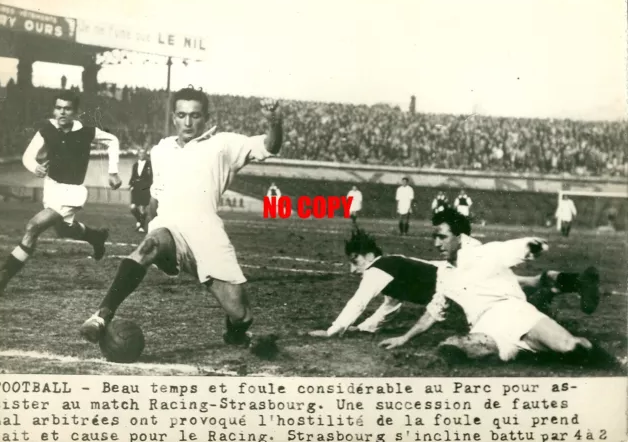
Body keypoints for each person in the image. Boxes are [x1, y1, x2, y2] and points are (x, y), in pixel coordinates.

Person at [80, 87, 283, 353]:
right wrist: (151, 223)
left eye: (195, 116)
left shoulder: (224, 144)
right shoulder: (161, 150)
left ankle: (235, 334)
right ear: (174, 117)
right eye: (181, 115)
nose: (188, 122)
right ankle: (100, 316)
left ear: (206, 117)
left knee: (240, 313)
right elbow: (157, 195)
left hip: (206, 234)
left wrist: (274, 121)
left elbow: (270, 146)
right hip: (170, 230)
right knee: (148, 246)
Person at [377, 208, 610, 368]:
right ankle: (535, 349)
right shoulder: (445, 273)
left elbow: (512, 249)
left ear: (461, 237)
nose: (436, 243)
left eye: (442, 237)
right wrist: (404, 338)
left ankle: (615, 365)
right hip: (487, 328)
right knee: (452, 347)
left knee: (570, 347)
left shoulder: (480, 253)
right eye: (434, 237)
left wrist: (532, 245)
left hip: (516, 314)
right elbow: (434, 311)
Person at [308, 224, 600, 340]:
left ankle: (556, 303)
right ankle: (576, 282)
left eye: (355, 260)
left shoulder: (377, 269)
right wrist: (367, 326)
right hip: (458, 274)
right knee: (528, 282)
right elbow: (390, 304)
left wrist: (335, 330)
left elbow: (358, 301)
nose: (352, 268)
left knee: (520, 290)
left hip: (457, 279)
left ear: (368, 255)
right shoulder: (388, 266)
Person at [0, 90, 122, 295]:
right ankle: (96, 237)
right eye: (58, 108)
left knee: (33, 226)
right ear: (54, 109)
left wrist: (113, 171)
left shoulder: (86, 132)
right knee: (64, 230)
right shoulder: (46, 129)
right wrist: (36, 168)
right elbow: (28, 156)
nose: (62, 113)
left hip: (72, 192)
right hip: (51, 187)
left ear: (75, 112)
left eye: (67, 109)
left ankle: (3, 275)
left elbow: (112, 140)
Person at [128, 148, 153, 233]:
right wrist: (130, 184)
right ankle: (139, 221)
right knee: (132, 208)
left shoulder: (150, 165)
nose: (141, 155)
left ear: (146, 154)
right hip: (136, 188)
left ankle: (142, 227)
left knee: (142, 208)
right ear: (138, 154)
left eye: (143, 153)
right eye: (140, 153)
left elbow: (151, 178)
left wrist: (149, 187)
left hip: (145, 189)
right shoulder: (135, 165)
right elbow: (133, 176)